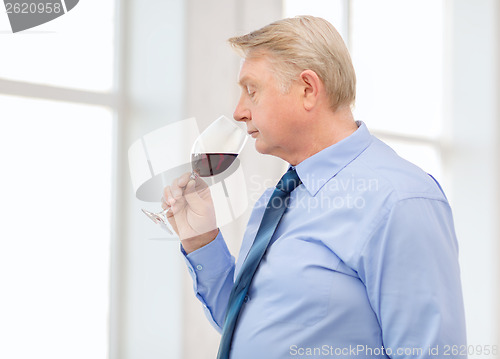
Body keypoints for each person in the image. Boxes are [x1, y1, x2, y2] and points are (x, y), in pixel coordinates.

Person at [162, 16, 467, 359]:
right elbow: (247, 328)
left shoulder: (399, 200)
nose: (239, 111)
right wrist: (200, 240)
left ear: (308, 89)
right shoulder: (276, 200)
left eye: (252, 90)